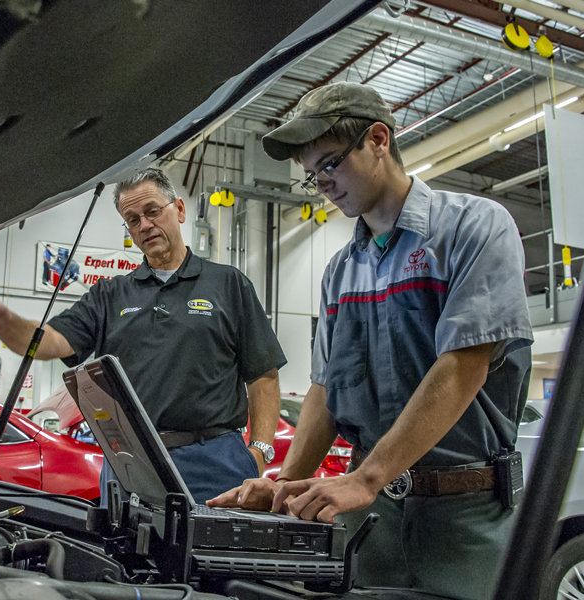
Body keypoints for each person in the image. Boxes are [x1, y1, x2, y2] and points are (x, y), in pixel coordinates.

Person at [207, 82, 533, 600]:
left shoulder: (474, 227)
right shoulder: (341, 271)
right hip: (370, 520)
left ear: (378, 139)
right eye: (314, 177)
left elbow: (463, 365)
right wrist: (285, 480)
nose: (325, 185)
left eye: (330, 164)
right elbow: (325, 390)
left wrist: (367, 476)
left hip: (464, 516)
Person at [0, 167, 286, 503]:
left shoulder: (229, 284)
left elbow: (264, 376)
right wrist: (5, 323)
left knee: (214, 555)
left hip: (215, 461)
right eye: (133, 219)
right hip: (130, 463)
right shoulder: (109, 295)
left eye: (152, 211)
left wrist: (259, 452)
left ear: (179, 210)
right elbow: (51, 341)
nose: (145, 225)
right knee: (122, 554)